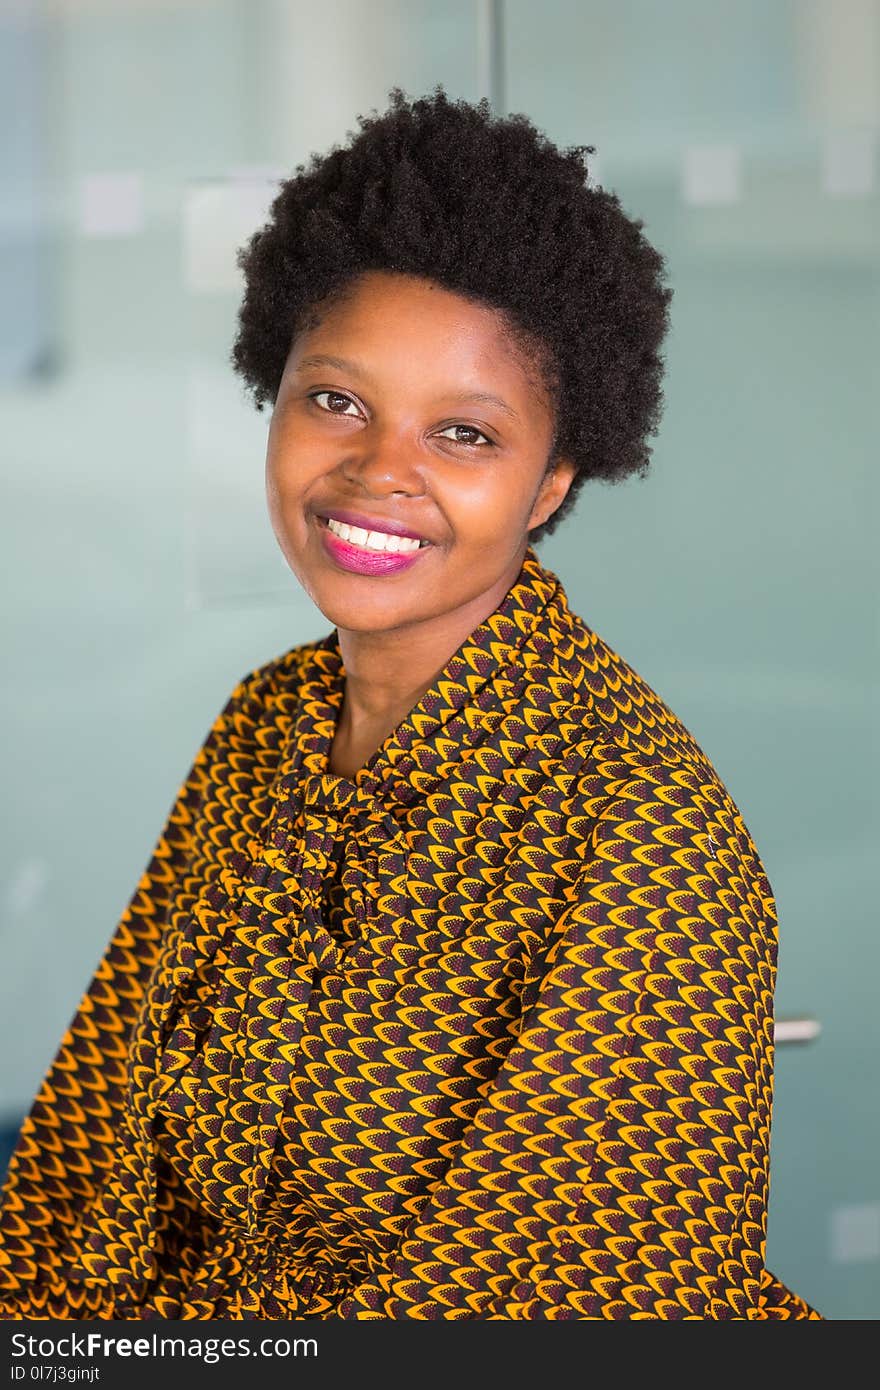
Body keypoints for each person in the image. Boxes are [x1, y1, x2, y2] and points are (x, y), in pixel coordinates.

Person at [0, 85, 821, 1321]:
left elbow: (542, 1322)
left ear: (553, 479)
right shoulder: (263, 726)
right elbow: (89, 1155)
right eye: (335, 399)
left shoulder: (639, 835)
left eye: (465, 434)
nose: (378, 473)